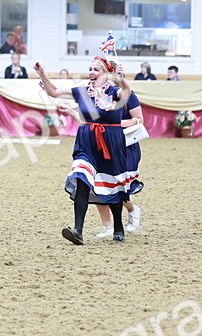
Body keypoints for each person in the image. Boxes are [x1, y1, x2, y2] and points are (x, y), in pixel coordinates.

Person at [35, 56, 144, 244]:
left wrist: (121, 78)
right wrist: (43, 74)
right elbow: (53, 91)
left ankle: (118, 225)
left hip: (111, 140)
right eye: (90, 69)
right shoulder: (83, 91)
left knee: (113, 184)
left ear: (105, 74)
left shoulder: (115, 92)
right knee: (81, 178)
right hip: (86, 140)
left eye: (96, 69)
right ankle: (78, 230)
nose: (91, 73)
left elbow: (127, 91)